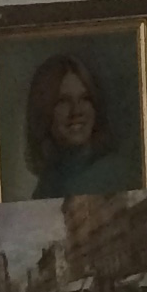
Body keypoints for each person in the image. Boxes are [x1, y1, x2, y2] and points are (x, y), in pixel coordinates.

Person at [22, 53, 124, 195]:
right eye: (63, 101)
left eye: (85, 98)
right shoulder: (48, 183)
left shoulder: (113, 174)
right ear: (44, 110)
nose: (76, 111)